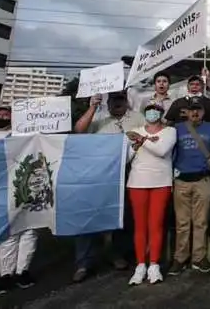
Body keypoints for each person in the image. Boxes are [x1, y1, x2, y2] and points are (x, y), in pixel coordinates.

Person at [72, 91, 141, 282]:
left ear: (126, 101)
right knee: (89, 217)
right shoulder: (99, 116)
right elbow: (78, 130)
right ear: (108, 102)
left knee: (123, 216)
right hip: (98, 174)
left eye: (121, 99)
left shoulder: (137, 117)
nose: (118, 103)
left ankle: (117, 254)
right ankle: (84, 262)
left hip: (127, 172)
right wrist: (92, 106)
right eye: (114, 100)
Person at [168, 97, 210, 275]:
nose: (195, 112)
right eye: (191, 109)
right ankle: (180, 258)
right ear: (186, 111)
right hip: (181, 181)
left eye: (198, 109)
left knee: (201, 222)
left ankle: (199, 258)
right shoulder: (176, 129)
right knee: (182, 222)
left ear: (203, 112)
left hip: (203, 180)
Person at [125, 103, 177, 286]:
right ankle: (140, 265)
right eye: (149, 110)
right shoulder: (135, 130)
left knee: (156, 224)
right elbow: (126, 157)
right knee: (140, 226)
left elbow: (162, 150)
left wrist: (142, 140)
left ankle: (154, 265)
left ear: (161, 114)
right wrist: (136, 144)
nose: (152, 112)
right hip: (137, 183)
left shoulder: (170, 131)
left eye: (155, 110)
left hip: (161, 182)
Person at [0, 105, 38, 295]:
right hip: (0, 189)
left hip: (27, 186)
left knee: (30, 230)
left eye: (6, 114)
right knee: (7, 234)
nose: (2, 116)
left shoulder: (25, 133)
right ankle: (5, 275)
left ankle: (22, 270)